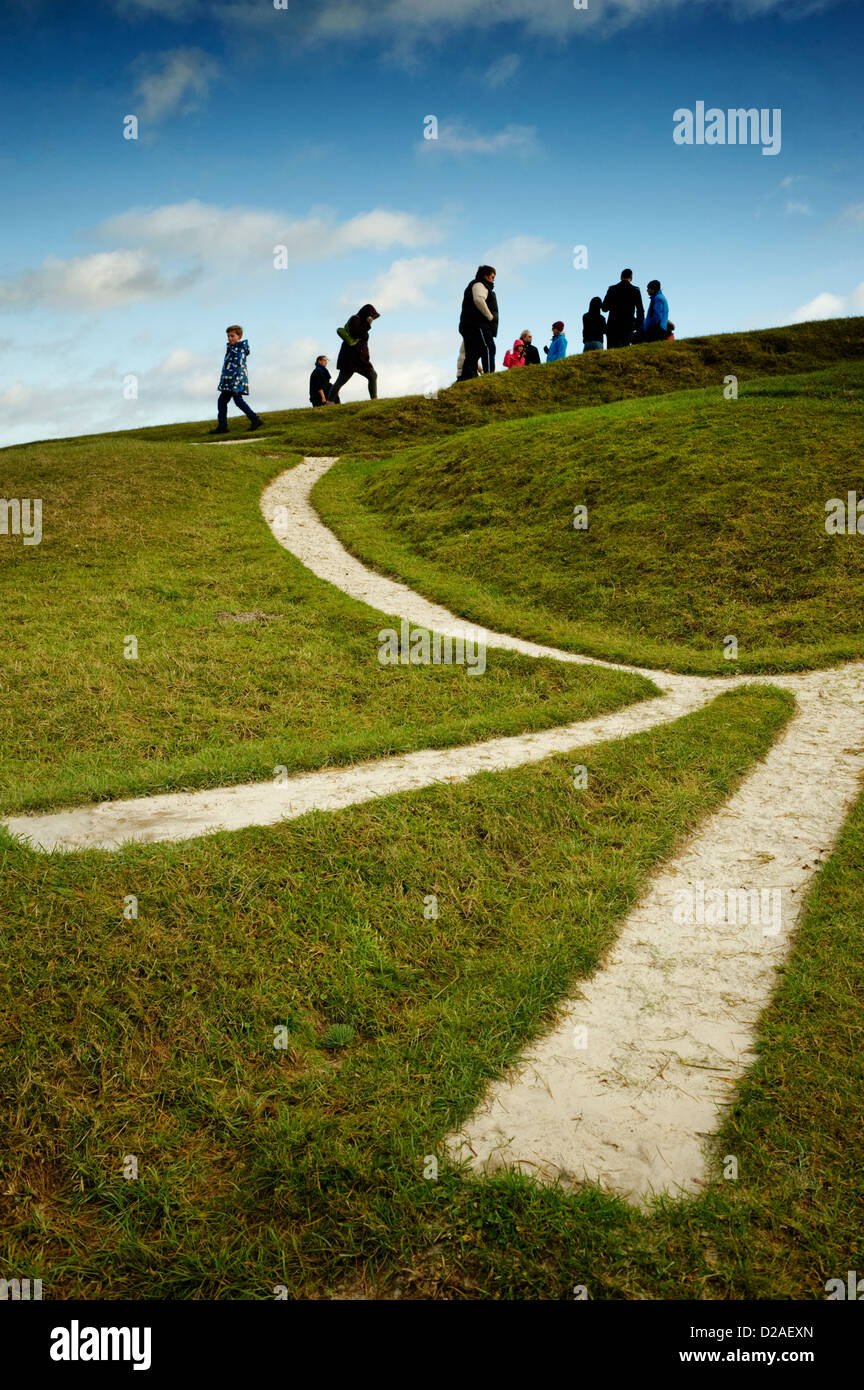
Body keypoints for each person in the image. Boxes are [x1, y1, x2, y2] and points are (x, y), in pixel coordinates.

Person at [211, 325, 263, 434]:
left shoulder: (239, 350)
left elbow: (239, 368)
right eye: (228, 336)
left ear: (239, 336)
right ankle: (222, 427)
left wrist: (235, 384)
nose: (229, 338)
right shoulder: (231, 349)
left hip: (235, 382)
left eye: (232, 336)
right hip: (228, 382)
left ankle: (255, 420)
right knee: (222, 401)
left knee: (238, 401)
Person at [328, 304, 380, 403]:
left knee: (372, 376)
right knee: (340, 381)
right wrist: (368, 324)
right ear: (366, 313)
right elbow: (356, 333)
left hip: (359, 358)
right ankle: (329, 403)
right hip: (351, 358)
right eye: (371, 316)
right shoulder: (355, 320)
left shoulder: (362, 322)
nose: (372, 318)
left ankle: (374, 400)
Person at [458, 265, 498, 379]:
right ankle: (489, 375)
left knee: (472, 354)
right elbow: (478, 299)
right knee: (488, 347)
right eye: (492, 276)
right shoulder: (480, 284)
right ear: (485, 276)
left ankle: (465, 378)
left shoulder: (476, 285)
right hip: (478, 324)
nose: (493, 279)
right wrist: (490, 317)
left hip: (469, 325)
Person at [601, 269, 644, 348]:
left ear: (621, 277)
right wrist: (637, 325)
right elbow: (640, 310)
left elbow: (604, 308)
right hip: (627, 326)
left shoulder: (612, 289)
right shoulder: (635, 290)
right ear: (631, 278)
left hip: (612, 326)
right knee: (625, 350)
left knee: (611, 352)